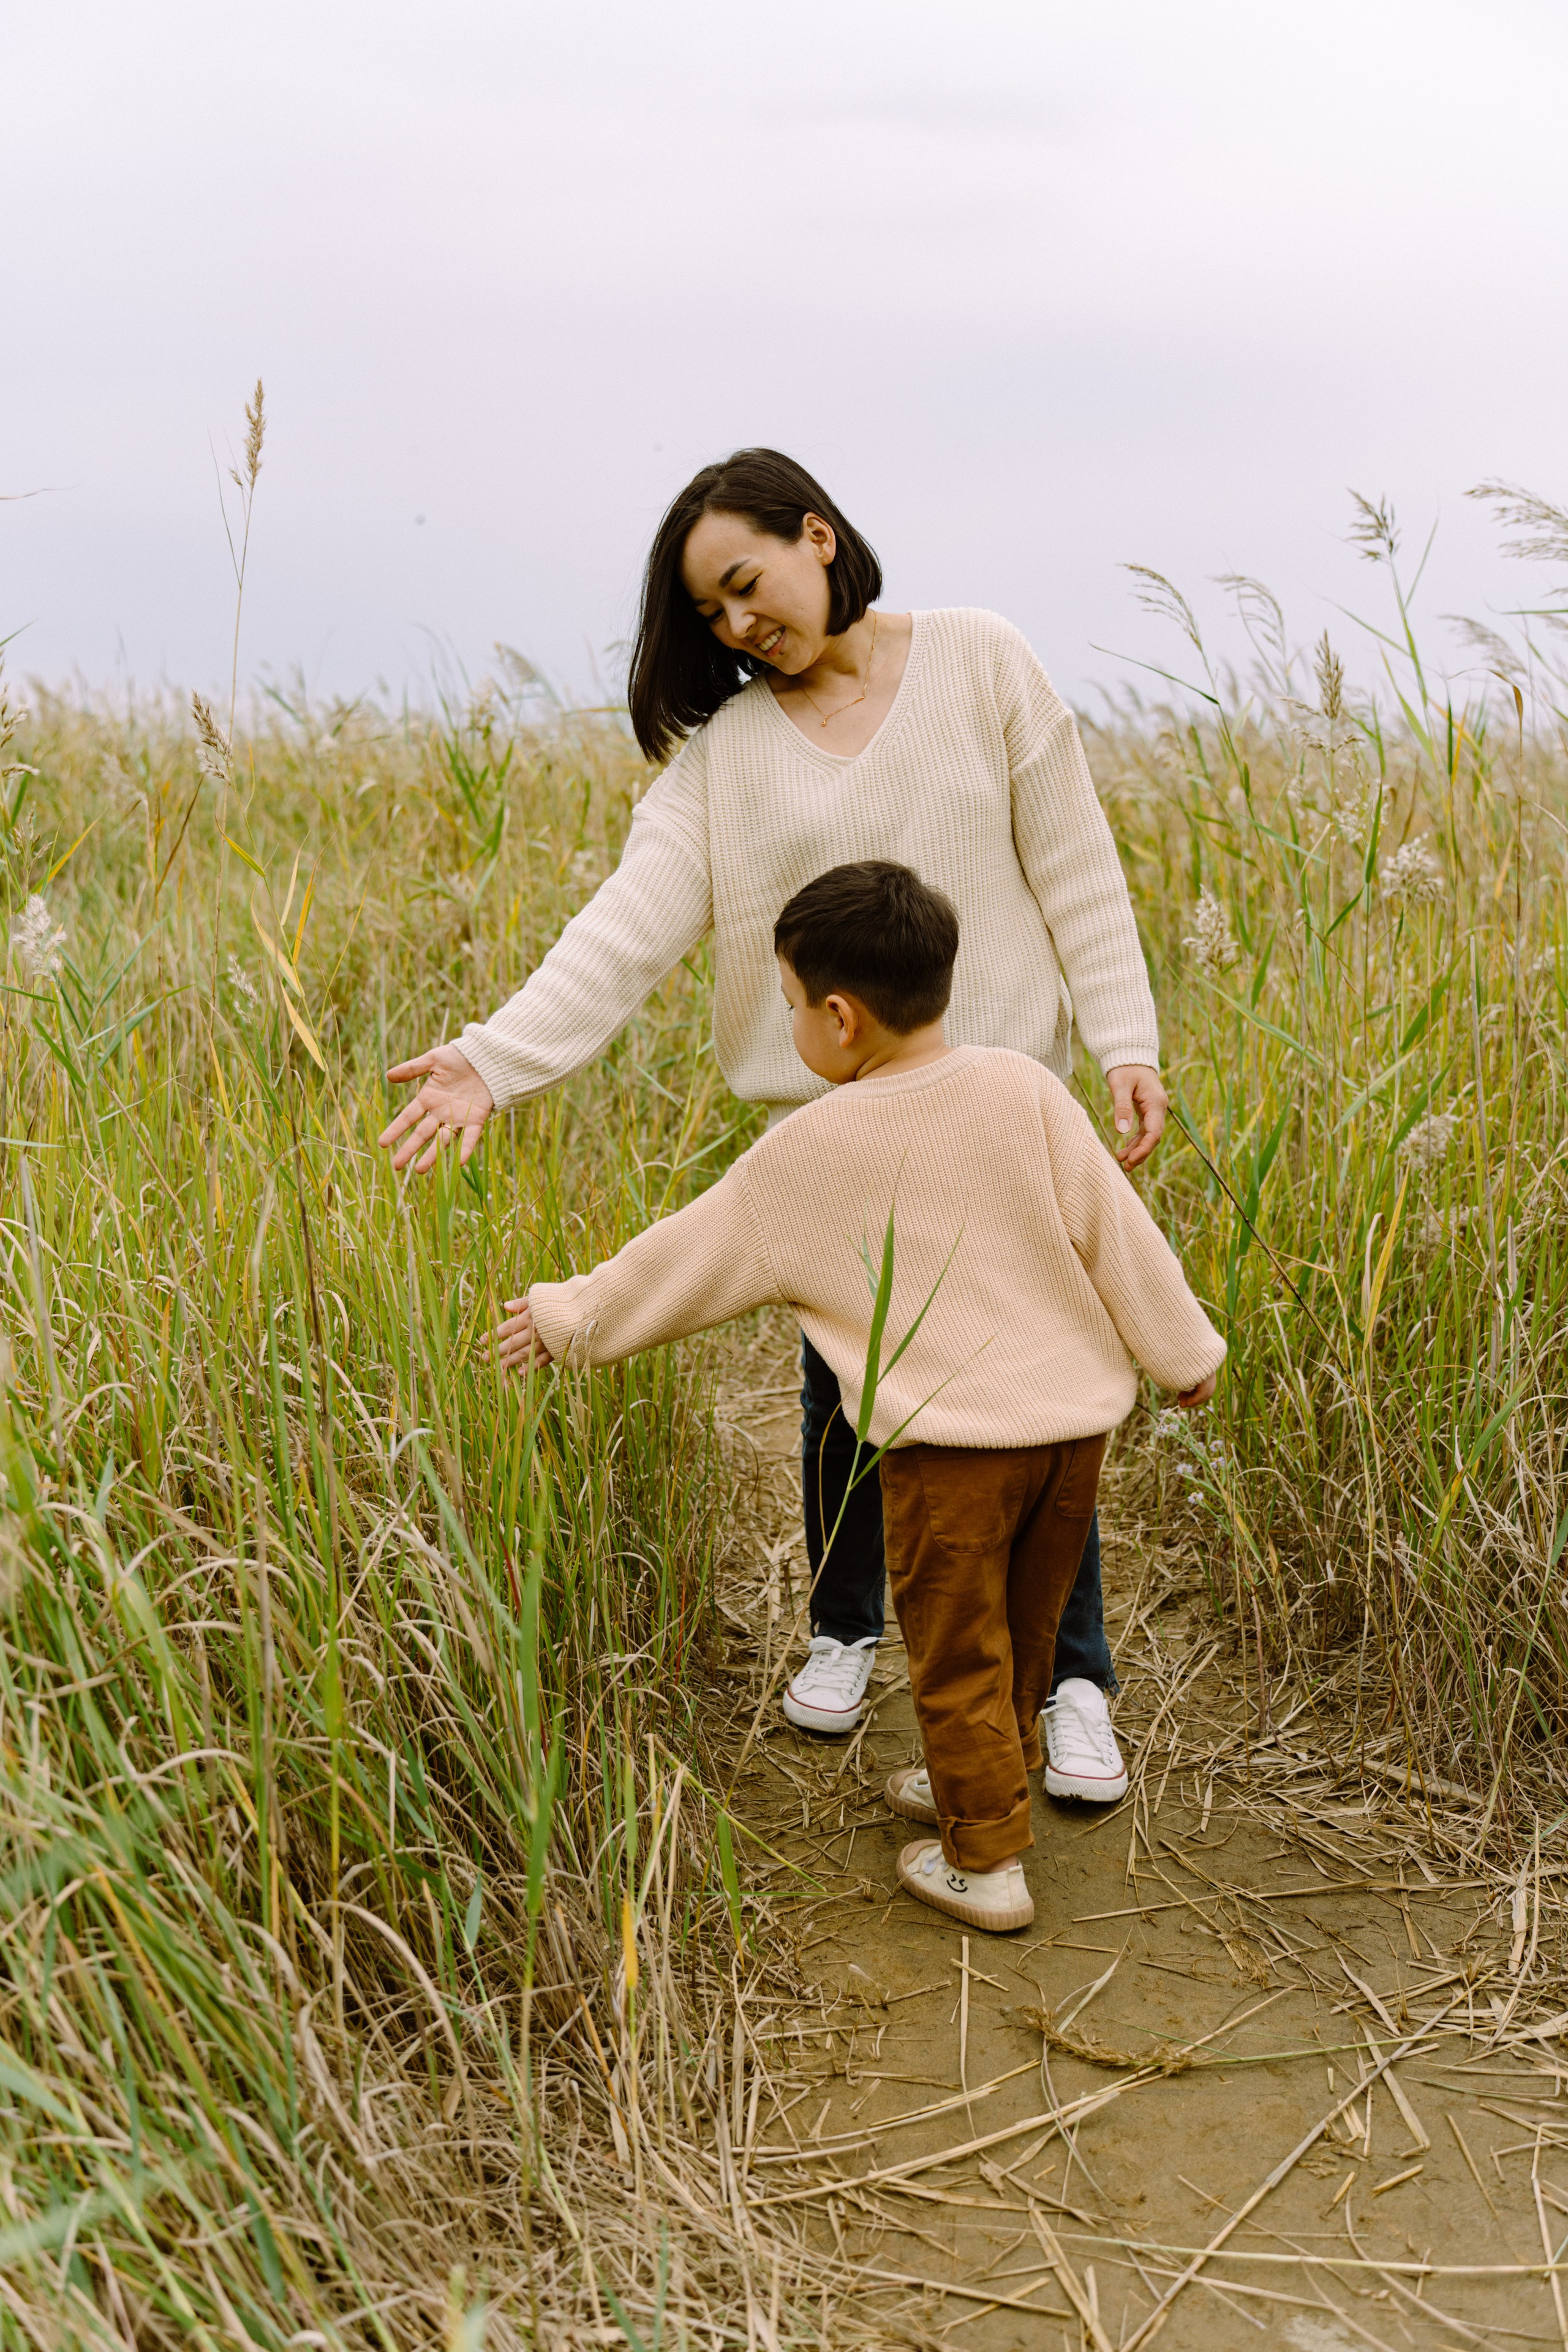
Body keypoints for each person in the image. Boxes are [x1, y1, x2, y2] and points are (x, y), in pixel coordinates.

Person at [378, 447, 1170, 1796]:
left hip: (1002, 1116)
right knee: (843, 1401)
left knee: (1035, 1404)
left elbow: (1074, 865)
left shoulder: (981, 663)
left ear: (815, 536)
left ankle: (1072, 1681)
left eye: (745, 584)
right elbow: (623, 931)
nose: (739, 626)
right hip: (845, 1136)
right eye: (710, 615)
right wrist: (494, 1062)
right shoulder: (724, 761)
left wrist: (1124, 1042)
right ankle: (845, 1627)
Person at [493, 863, 1223, 1932]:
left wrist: (570, 1318)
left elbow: (685, 1258)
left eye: (790, 1005)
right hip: (1072, 1442)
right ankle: (984, 1773)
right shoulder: (1024, 1088)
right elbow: (1120, 1234)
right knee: (1023, 1630)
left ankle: (986, 1860)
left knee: (955, 1647)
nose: (792, 1023)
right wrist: (1184, 1351)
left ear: (839, 1017)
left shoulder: (811, 1150)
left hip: (952, 1453)